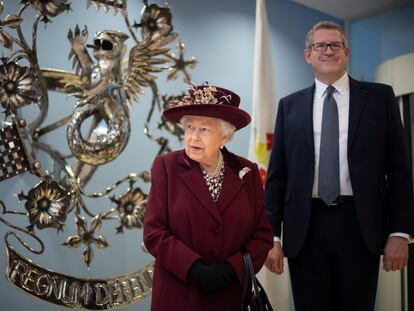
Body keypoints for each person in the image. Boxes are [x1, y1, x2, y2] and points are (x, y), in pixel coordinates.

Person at [264, 20, 414, 311]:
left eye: (335, 45)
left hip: (360, 226)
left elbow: (399, 170)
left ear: (346, 53)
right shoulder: (288, 106)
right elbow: (277, 177)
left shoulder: (380, 98)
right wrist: (273, 236)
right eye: (320, 45)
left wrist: (399, 232)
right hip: (304, 229)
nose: (328, 51)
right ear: (308, 55)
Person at [143, 84, 273, 311]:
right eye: (190, 127)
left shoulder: (247, 171)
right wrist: (193, 268)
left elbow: (262, 236)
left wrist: (233, 270)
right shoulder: (166, 167)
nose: (193, 137)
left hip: (230, 295)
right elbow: (154, 233)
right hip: (179, 293)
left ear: (225, 135)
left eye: (204, 129)